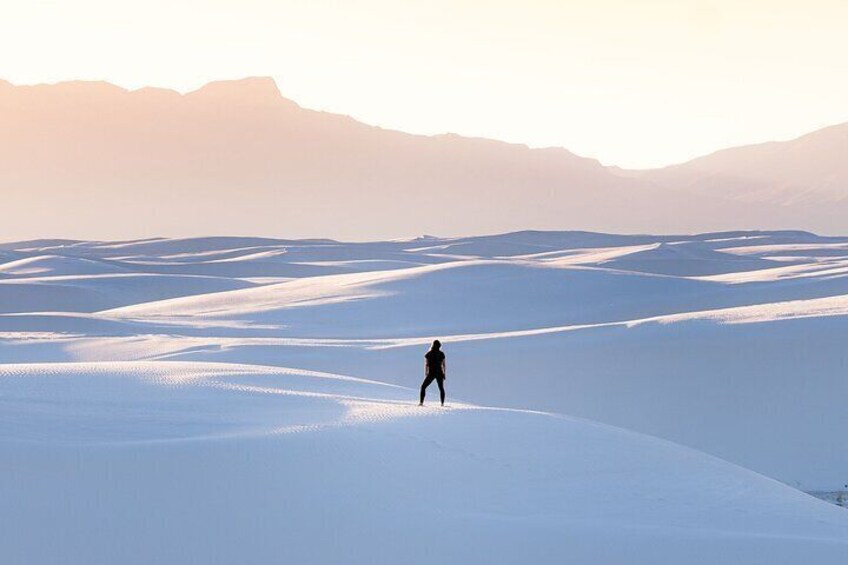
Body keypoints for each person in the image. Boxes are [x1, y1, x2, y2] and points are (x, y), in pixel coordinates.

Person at [419, 339, 446, 406]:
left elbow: (426, 364)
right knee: (441, 388)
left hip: (431, 372)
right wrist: (444, 373)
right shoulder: (441, 354)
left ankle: (421, 402)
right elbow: (444, 365)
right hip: (439, 372)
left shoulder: (429, 354)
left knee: (423, 387)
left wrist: (426, 373)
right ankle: (442, 403)